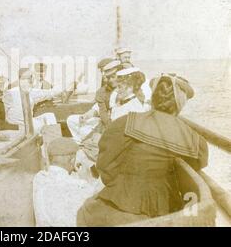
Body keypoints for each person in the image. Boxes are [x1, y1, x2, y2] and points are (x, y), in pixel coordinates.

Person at [77, 74, 209, 226]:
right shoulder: (192, 137)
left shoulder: (126, 122)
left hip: (119, 198)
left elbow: (105, 165)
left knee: (85, 212)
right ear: (180, 103)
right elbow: (199, 162)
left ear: (153, 97)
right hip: (162, 208)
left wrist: (120, 185)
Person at [33, 137, 97, 227]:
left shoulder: (39, 178)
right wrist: (86, 178)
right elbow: (96, 201)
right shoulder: (80, 186)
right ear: (72, 160)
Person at [67, 59, 122, 142]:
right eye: (104, 73)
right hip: (106, 121)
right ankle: (85, 141)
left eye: (113, 76)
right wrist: (86, 115)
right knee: (72, 120)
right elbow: (100, 110)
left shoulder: (126, 88)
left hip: (119, 121)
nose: (108, 78)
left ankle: (86, 140)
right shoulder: (102, 91)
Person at [3, 68, 60, 134]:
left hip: (17, 123)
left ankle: (52, 138)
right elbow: (51, 93)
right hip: (23, 125)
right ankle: (53, 138)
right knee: (45, 120)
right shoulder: (30, 91)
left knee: (48, 116)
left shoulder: (9, 91)